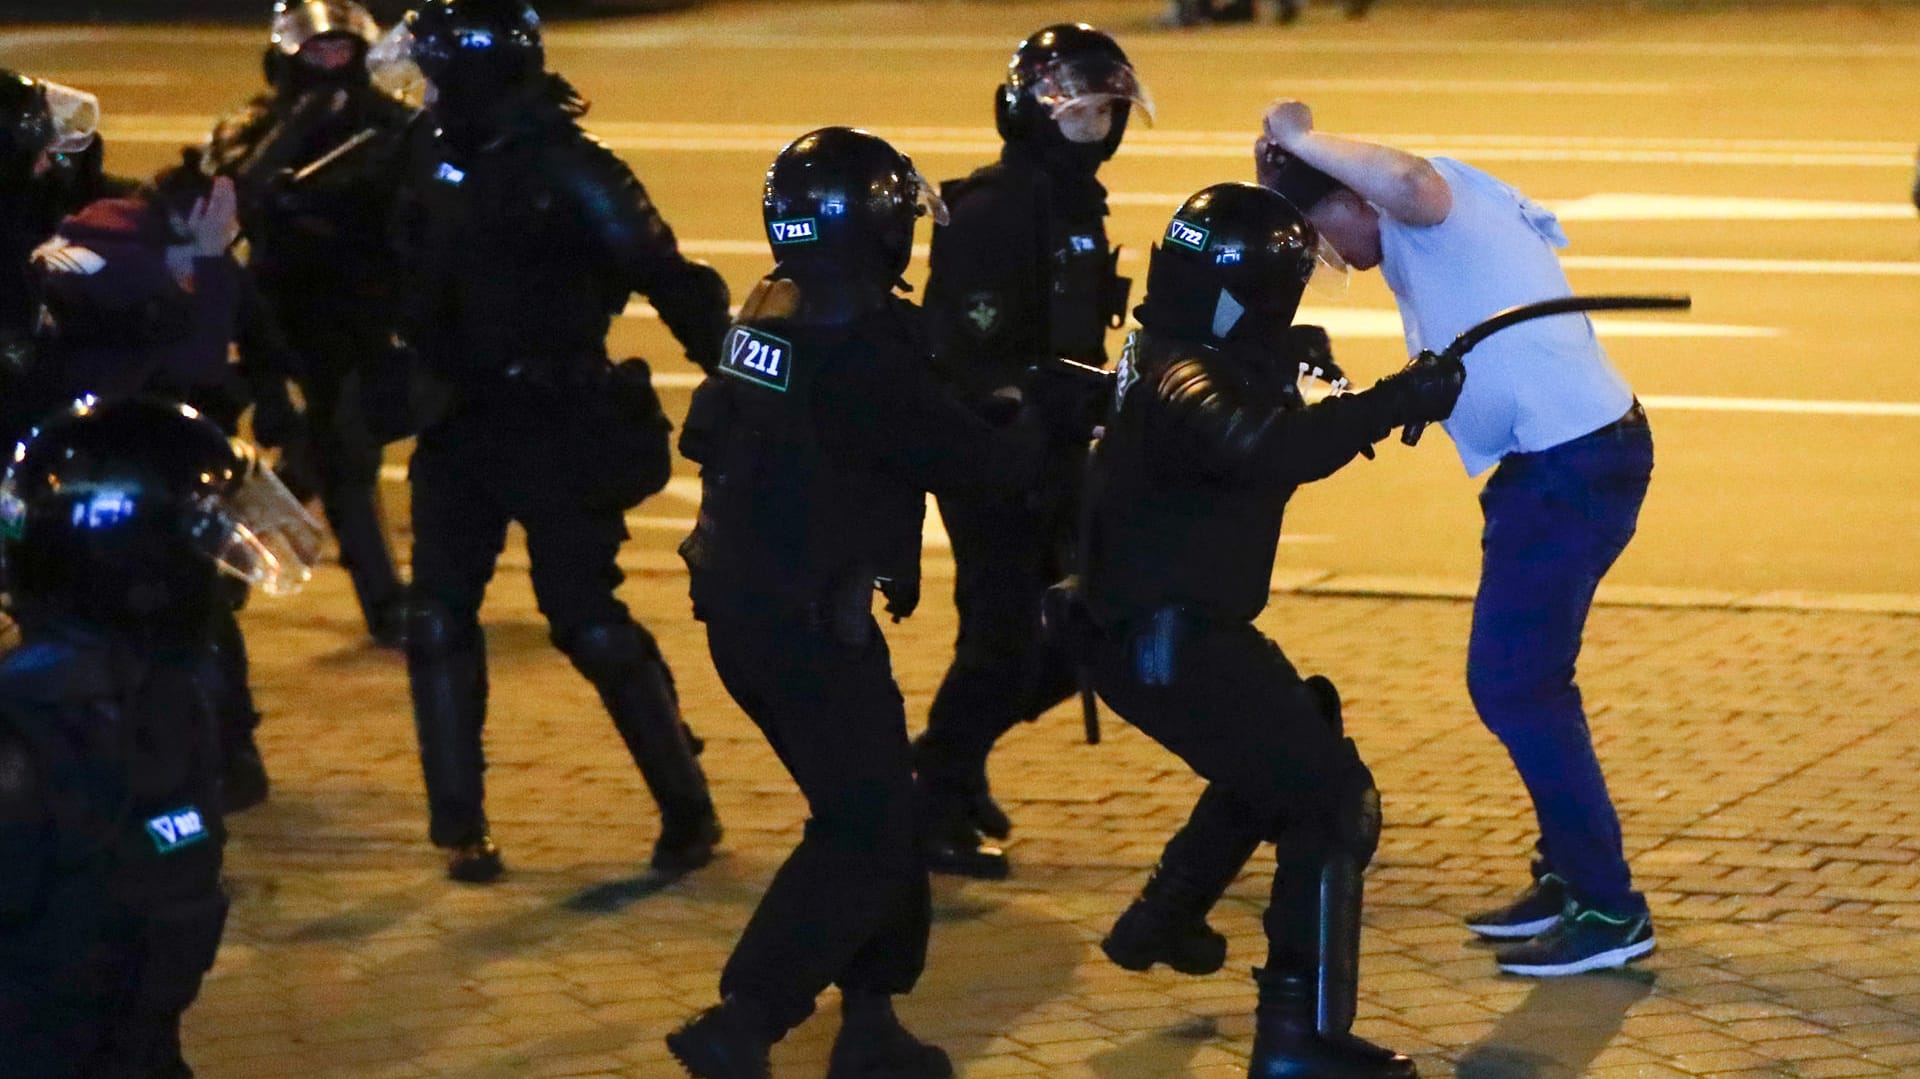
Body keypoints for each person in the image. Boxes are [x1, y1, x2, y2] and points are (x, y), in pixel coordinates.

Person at [668, 127, 1091, 1079]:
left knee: (878, 808)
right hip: (811, 622)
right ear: (877, 231)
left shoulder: (770, 314)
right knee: (865, 825)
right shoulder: (869, 347)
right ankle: (746, 1015)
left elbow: (707, 431)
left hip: (739, 603)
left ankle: (872, 1021)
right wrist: (1044, 419)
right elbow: (982, 474)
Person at [1257, 98, 1657, 976]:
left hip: (1573, 466)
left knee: (1515, 685)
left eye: (1321, 229)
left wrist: (1297, 141)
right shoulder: (1416, 233)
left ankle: (1608, 907)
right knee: (1529, 683)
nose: (1331, 258)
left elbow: (1403, 175)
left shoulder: (1423, 207)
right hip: (1549, 469)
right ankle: (1568, 876)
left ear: (1352, 195)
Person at [1075, 182, 1454, 1079]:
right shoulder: (1187, 375)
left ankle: (1165, 914)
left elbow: (1239, 397)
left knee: (1291, 736)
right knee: (1329, 802)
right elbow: (1262, 448)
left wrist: (1291, 359)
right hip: (1171, 639)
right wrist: (1394, 399)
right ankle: (1297, 1039)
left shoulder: (1175, 345)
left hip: (1149, 629)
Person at [383, 0, 731, 884]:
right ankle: (459, 823)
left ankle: (686, 804)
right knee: (435, 619)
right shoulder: (423, 155)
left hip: (557, 423)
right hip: (456, 421)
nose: (419, 81)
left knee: (586, 621)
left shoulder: (573, 170)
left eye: (431, 65)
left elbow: (673, 279)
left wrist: (740, 388)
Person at [0, 396, 321, 1079]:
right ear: (146, 565)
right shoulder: (33, 722)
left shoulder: (161, 689)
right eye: (204, 549)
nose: (220, 576)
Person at [914, 22, 1148, 880]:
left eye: (1104, 116)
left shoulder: (1076, 204)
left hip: (1058, 456)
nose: (1094, 129)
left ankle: (948, 759)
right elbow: (963, 351)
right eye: (1079, 114)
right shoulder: (995, 208)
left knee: (1085, 630)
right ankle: (933, 794)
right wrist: (1017, 411)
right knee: (1003, 640)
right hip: (997, 464)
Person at [31, 153, 296, 814]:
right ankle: (223, 754)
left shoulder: (82, 241)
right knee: (186, 601)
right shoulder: (137, 261)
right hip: (114, 467)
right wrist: (207, 262)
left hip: (67, 461)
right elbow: (200, 361)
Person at [207, 0, 414, 647]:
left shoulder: (390, 124)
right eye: (318, 51)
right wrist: (297, 128)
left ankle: (222, 567)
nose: (331, 63)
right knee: (334, 454)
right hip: (278, 312)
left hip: (363, 312)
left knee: (327, 453)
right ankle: (383, 604)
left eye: (342, 51)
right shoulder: (254, 123)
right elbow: (232, 195)